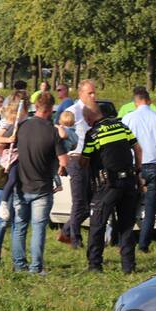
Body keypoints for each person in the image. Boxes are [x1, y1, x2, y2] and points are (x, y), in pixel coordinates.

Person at [79, 109, 144, 273]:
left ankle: (95, 265)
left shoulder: (94, 134)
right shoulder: (121, 126)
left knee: (97, 224)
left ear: (90, 117)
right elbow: (138, 149)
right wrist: (137, 172)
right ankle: (129, 266)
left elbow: (84, 161)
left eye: (85, 118)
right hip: (128, 181)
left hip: (108, 185)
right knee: (126, 225)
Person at [10, 91, 68, 274]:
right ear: (51, 109)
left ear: (36, 107)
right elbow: (63, 161)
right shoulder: (52, 132)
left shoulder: (22, 126)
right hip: (42, 187)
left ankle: (19, 266)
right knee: (38, 228)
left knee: (19, 226)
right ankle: (36, 268)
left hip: (20, 184)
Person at [121, 86, 156, 253]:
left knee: (128, 206)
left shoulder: (128, 118)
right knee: (151, 207)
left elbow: (122, 144)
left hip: (135, 166)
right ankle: (144, 245)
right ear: (149, 101)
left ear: (135, 102)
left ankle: (123, 240)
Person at [58, 79, 100, 248]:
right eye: (90, 93)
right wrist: (61, 161)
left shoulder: (93, 111)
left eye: (94, 92)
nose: (93, 95)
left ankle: (67, 230)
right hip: (75, 159)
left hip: (90, 159)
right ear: (80, 93)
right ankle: (75, 239)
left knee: (90, 200)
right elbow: (59, 134)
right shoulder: (72, 111)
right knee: (79, 201)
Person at [0, 94, 29, 264]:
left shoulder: (22, 123)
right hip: (4, 173)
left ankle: (17, 258)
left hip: (18, 172)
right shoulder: (5, 122)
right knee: (2, 220)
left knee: (17, 220)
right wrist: (9, 139)